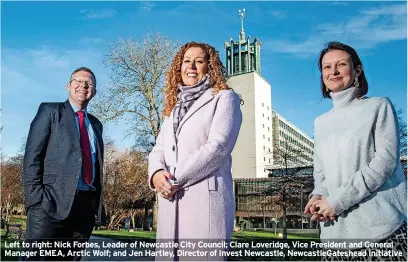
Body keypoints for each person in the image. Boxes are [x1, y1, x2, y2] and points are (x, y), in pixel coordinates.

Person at [304, 42, 407, 260]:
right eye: (326, 67)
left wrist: (337, 201)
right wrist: (318, 196)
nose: (333, 72)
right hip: (335, 240)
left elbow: (385, 162)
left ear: (357, 69)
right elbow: (321, 174)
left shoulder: (379, 106)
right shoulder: (320, 122)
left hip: (380, 233)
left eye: (341, 64)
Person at [148, 42, 242, 260]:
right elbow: (159, 148)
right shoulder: (172, 106)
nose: (191, 66)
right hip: (171, 202)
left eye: (199, 61)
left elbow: (218, 148)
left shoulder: (225, 98)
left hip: (204, 204)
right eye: (186, 61)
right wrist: (156, 175)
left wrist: (173, 178)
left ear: (210, 67)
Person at [23, 67, 104, 261]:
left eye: (89, 83)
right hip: (49, 205)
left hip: (83, 209)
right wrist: (36, 201)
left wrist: (94, 205)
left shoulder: (96, 124)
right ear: (68, 86)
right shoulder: (50, 111)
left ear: (94, 91)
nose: (83, 85)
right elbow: (32, 157)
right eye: (78, 81)